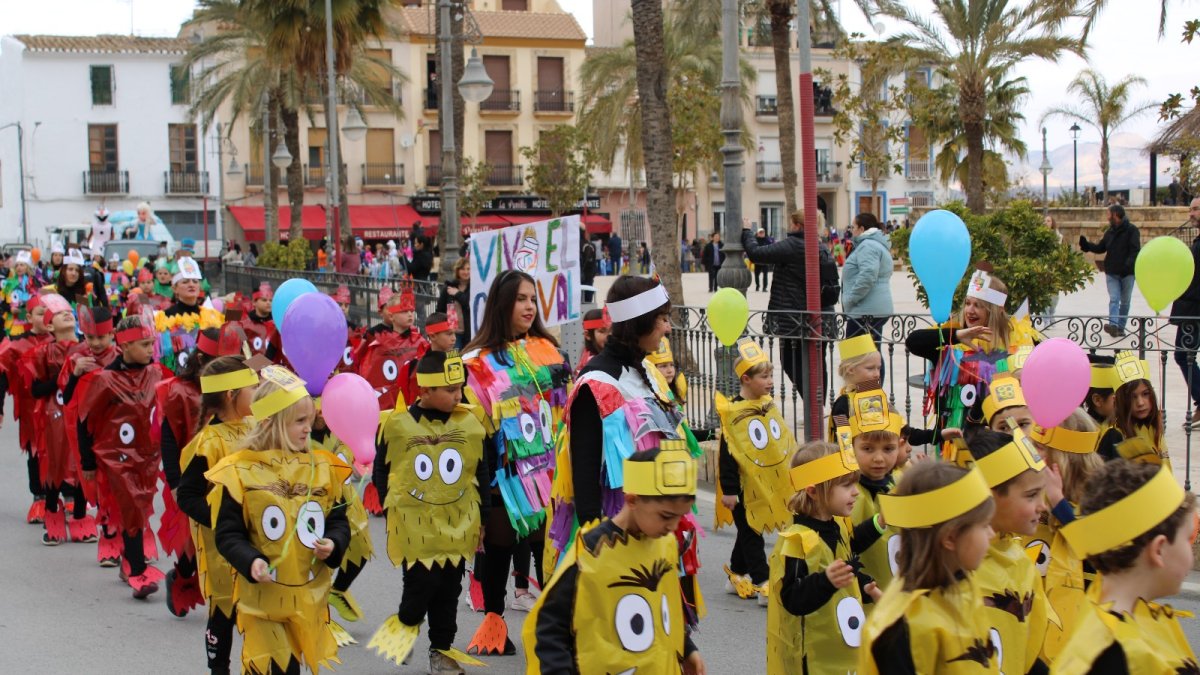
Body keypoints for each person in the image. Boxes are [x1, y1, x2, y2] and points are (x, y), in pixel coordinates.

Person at [208, 366, 352, 674]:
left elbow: (338, 519)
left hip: (303, 595)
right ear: (272, 423)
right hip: (261, 601)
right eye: (299, 421)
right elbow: (228, 534)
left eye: (310, 421)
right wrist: (251, 561)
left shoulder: (320, 468)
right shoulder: (240, 471)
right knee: (276, 667)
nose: (307, 430)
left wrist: (334, 543)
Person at [461, 269, 572, 656]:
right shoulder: (476, 361)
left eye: (532, 299)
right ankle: (494, 623)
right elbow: (474, 429)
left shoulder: (550, 349)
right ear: (501, 304)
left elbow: (565, 412)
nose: (528, 306)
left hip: (548, 474)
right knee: (499, 549)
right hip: (503, 476)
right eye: (521, 299)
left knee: (548, 550)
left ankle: (555, 629)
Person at [524, 444, 707, 675]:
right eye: (666, 516)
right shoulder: (590, 553)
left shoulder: (666, 544)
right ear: (632, 500)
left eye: (680, 516)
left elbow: (665, 607)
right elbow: (550, 627)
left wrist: (687, 647)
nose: (673, 526)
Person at [368, 351, 488, 674]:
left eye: (460, 388)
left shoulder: (469, 424)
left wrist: (483, 520)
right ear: (425, 391)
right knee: (420, 587)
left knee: (449, 591)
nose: (458, 396)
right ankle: (406, 624)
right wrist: (391, 507)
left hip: (457, 526)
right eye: (450, 390)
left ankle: (441, 651)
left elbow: (481, 472)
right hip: (417, 531)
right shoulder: (399, 426)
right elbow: (383, 468)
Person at [1054, 461, 1197, 672]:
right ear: (1159, 550)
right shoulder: (1112, 656)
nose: (1191, 550)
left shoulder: (1111, 624)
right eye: (1189, 538)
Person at [859, 462, 997, 673]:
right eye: (985, 525)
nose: (992, 535)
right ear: (950, 537)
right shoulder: (900, 629)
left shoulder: (962, 586)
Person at [768, 440, 882, 674]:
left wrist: (866, 586)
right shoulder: (796, 541)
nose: (855, 492)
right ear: (813, 491)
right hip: (813, 657)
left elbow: (845, 568)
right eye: (845, 485)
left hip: (842, 652)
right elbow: (792, 599)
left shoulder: (837, 527)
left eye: (855, 484)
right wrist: (825, 581)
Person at [176, 355, 258, 675]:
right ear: (231, 395)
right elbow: (187, 496)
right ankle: (218, 667)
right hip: (222, 548)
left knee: (257, 610)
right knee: (224, 612)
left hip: (257, 540)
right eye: (253, 387)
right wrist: (224, 520)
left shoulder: (257, 426)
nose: (258, 391)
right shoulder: (206, 444)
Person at [77, 314, 166, 598]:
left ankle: (129, 560)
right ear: (124, 346)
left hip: (148, 457)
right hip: (117, 459)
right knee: (130, 507)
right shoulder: (105, 380)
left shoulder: (156, 373)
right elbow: (84, 421)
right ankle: (138, 571)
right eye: (144, 344)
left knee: (139, 508)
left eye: (152, 343)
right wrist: (88, 463)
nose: (150, 349)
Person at [905, 265, 1041, 435]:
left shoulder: (1020, 342)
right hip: (955, 440)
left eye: (978, 305)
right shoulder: (950, 346)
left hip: (1002, 438)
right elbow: (913, 342)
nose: (970, 310)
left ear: (996, 310)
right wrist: (957, 335)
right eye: (968, 303)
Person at [962, 427, 1051, 675]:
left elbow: (1025, 652)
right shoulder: (957, 571)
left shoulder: (1020, 560)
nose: (1042, 505)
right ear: (988, 497)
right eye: (1031, 495)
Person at [715, 338, 794, 605]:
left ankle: (736, 573)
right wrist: (729, 490)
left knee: (751, 530)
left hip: (765, 482)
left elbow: (778, 441)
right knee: (751, 531)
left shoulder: (767, 404)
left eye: (771, 375)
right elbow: (728, 456)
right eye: (764, 376)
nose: (770, 381)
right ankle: (763, 581)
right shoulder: (733, 413)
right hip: (742, 487)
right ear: (746, 378)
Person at [1026, 410, 1102, 661]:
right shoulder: (1033, 492)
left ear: (1066, 458)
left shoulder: (1098, 498)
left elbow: (1092, 546)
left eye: (1041, 448)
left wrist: (1059, 503)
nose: (1034, 454)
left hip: (1081, 624)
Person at [742, 210, 840, 399]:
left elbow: (756, 254)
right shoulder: (820, 246)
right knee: (819, 363)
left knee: (789, 360)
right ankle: (818, 406)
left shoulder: (793, 245)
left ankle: (812, 403)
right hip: (821, 317)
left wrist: (747, 232)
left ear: (797, 225)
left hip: (793, 318)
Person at [27, 293, 84, 546]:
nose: (67, 315)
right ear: (49, 326)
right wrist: (65, 376)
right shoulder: (42, 353)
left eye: (69, 312)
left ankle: (81, 517)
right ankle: (53, 516)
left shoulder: (86, 347)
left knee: (83, 463)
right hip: (54, 413)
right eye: (60, 314)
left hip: (82, 412)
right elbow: (35, 389)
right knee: (55, 464)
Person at [0, 293, 52, 524]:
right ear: (29, 317)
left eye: (50, 312)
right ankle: (38, 497)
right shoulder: (17, 345)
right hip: (31, 410)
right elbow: (3, 374)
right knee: (35, 452)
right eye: (40, 313)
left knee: (65, 450)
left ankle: (69, 496)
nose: (46, 317)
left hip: (60, 408)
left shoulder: (62, 341)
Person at [1095, 351, 1169, 469]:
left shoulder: (1153, 426)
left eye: (1145, 394)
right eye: (1132, 397)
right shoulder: (1114, 435)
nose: (1140, 403)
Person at [1079, 204, 1141, 337]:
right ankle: (1113, 325)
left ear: (1116, 215)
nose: (1107, 217)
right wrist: (1087, 245)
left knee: (1125, 301)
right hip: (1112, 272)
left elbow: (1135, 250)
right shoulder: (1110, 232)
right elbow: (1101, 248)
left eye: (1108, 214)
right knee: (1114, 298)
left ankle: (1120, 328)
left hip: (1127, 274)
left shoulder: (1132, 230)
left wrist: (1127, 265)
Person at [841, 212, 894, 353]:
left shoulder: (867, 246)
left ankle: (874, 376)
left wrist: (851, 299)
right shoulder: (876, 245)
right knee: (871, 354)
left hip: (864, 310)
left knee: (856, 357)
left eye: (853, 227)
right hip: (872, 308)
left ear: (862, 229)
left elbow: (868, 275)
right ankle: (876, 376)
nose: (851, 230)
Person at [1169, 197, 1200, 427]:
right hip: (1190, 307)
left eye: (1196, 209)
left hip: (1194, 309)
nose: (1191, 213)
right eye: (1190, 208)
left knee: (1183, 355)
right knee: (1184, 355)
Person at [436, 257, 471, 350]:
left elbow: (469, 304)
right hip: (453, 333)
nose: (466, 272)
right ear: (457, 270)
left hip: (469, 333)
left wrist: (457, 294)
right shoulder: (448, 287)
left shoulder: (473, 288)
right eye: (463, 269)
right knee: (454, 360)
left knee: (467, 361)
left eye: (468, 269)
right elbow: (440, 310)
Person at [575, 307, 610, 376]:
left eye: (611, 330)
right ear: (587, 335)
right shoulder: (593, 366)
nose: (609, 335)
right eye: (602, 331)